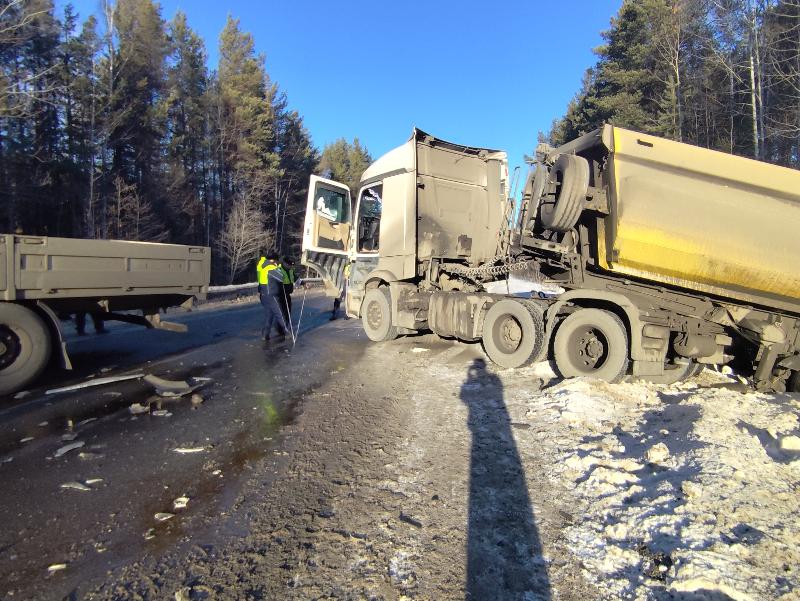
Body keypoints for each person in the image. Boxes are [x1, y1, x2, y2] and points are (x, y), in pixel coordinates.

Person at [256, 254, 287, 341]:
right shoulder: (270, 268)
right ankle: (288, 332)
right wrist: (279, 267)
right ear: (273, 260)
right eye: (277, 261)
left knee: (269, 315)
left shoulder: (261, 266)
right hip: (272, 295)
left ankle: (265, 334)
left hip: (264, 294)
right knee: (280, 314)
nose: (278, 263)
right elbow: (282, 277)